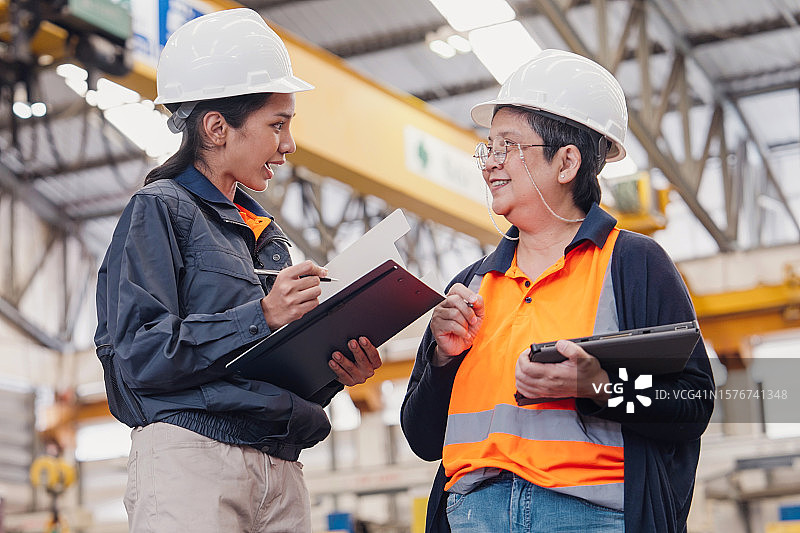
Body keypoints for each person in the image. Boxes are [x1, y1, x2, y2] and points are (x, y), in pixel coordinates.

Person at [401, 49, 715, 533]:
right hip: (472, 518)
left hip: (591, 516)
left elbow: (691, 404)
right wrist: (441, 362)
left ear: (566, 162)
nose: (490, 165)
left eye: (507, 146)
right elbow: (423, 440)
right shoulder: (468, 286)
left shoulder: (633, 266)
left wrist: (594, 387)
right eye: (488, 148)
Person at [94, 9, 382, 532]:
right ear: (216, 127)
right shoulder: (159, 210)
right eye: (278, 124)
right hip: (194, 458)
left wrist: (335, 370)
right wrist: (261, 316)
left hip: (279, 465)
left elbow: (267, 366)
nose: (289, 145)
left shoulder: (265, 235)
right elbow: (139, 355)